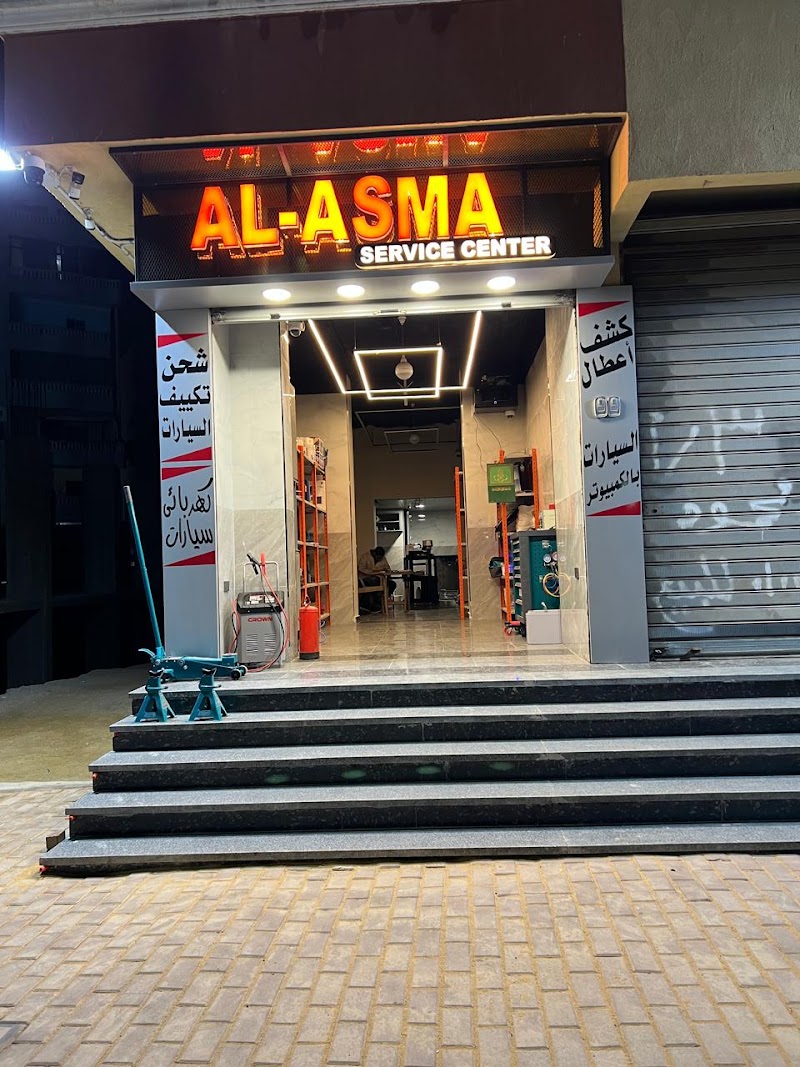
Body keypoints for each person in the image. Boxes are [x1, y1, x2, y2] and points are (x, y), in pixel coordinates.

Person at [357, 546, 396, 613]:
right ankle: (373, 605)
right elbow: (360, 569)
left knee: (392, 584)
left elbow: (388, 569)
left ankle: (380, 602)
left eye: (380, 558)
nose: (379, 559)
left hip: (380, 579)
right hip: (365, 578)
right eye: (378, 557)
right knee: (374, 582)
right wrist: (372, 572)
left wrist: (387, 573)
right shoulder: (365, 557)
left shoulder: (383, 559)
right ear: (374, 553)